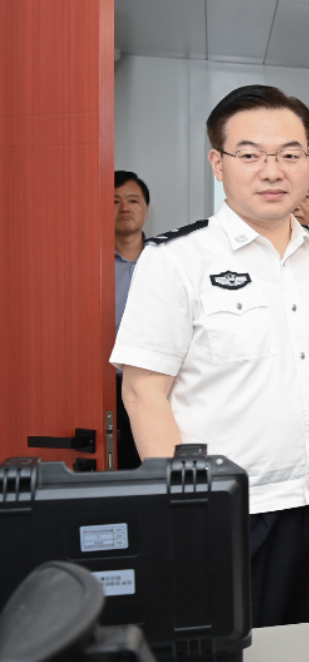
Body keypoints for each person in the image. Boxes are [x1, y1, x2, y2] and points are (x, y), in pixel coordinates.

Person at [112, 84, 309, 627]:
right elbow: (142, 392)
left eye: (289, 155)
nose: (272, 171)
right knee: (237, 659)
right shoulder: (177, 260)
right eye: (250, 155)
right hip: (228, 509)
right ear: (218, 163)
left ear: (308, 160)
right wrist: (184, 500)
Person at [113, 170, 150, 470]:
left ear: (146, 210)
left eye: (133, 200)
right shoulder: (88, 263)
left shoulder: (166, 259)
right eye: (114, 201)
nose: (124, 208)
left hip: (157, 382)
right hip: (106, 383)